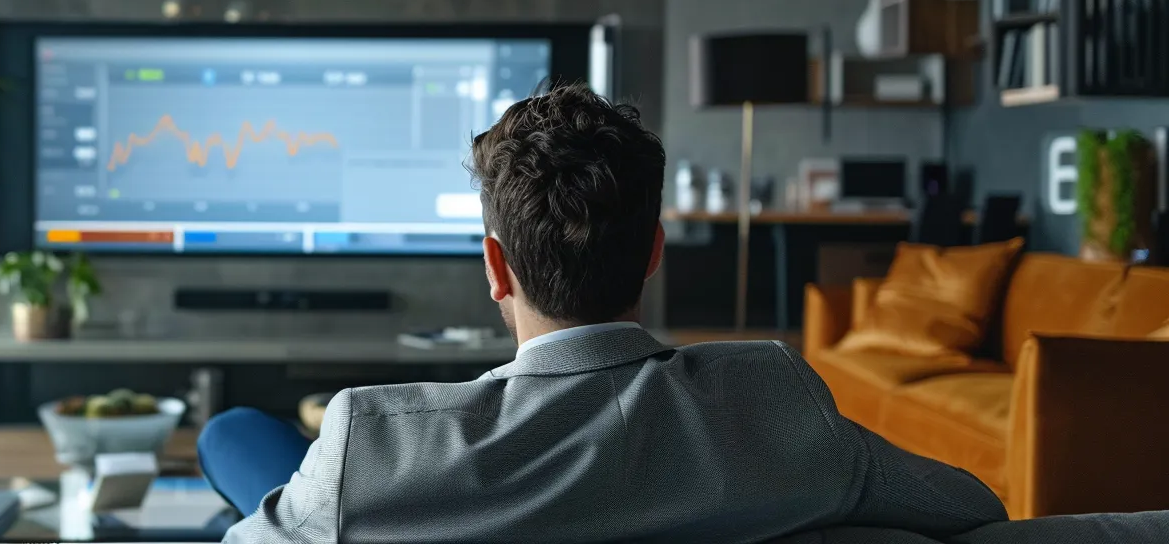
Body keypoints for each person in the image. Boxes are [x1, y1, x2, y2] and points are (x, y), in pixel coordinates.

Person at [202, 83, 1009, 543]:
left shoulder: (372, 441)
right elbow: (977, 508)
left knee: (231, 438)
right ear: (654, 252)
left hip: (362, 501)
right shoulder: (774, 405)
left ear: (495, 268)